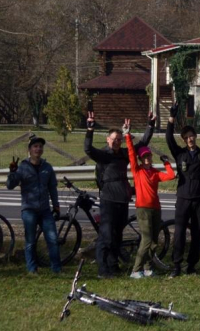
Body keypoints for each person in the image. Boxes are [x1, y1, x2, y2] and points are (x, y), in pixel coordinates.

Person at [165, 98, 200, 276]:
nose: (189, 139)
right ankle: (176, 265)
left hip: (198, 199)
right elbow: (168, 138)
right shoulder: (179, 154)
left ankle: (191, 266)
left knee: (196, 234)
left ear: (195, 137)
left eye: (191, 136)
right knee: (179, 233)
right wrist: (172, 117)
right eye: (186, 137)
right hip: (182, 198)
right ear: (184, 140)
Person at [125, 116, 176, 279]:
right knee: (146, 240)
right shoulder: (137, 171)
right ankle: (135, 269)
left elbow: (171, 175)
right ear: (141, 159)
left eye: (149, 156)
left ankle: (147, 267)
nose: (147, 159)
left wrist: (166, 162)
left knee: (154, 240)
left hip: (156, 208)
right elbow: (132, 154)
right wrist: (127, 136)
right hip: (143, 209)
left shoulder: (154, 173)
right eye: (144, 157)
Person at [84, 111, 132, 278]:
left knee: (117, 236)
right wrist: (90, 129)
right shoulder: (103, 156)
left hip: (123, 200)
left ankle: (113, 266)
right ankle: (103, 270)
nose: (117, 142)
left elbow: (140, 146)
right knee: (106, 236)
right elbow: (88, 149)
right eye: (114, 139)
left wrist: (150, 126)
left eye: (119, 140)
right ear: (108, 140)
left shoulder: (124, 155)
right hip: (109, 200)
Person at [6, 135, 61, 274]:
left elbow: (52, 188)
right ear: (29, 150)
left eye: (40, 146)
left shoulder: (47, 167)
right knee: (30, 241)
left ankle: (56, 268)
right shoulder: (23, 167)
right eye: (35, 146)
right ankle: (32, 268)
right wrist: (12, 173)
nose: (38, 149)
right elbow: (10, 186)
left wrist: (56, 205)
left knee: (53, 239)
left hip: (45, 210)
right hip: (29, 210)